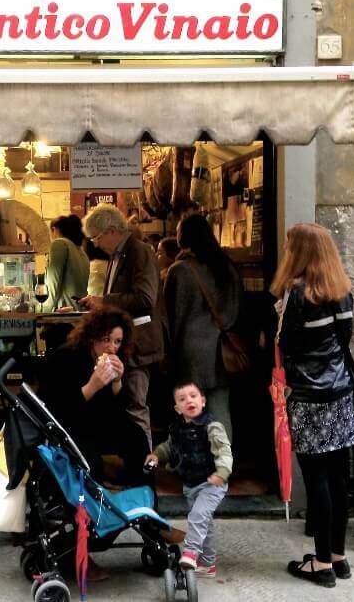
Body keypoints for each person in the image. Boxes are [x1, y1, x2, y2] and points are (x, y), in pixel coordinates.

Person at [271, 222, 354, 589]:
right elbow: (344, 339)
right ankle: (338, 556)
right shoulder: (343, 291)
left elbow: (287, 345)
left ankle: (320, 563)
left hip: (308, 396)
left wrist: (279, 315)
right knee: (338, 477)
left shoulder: (298, 292)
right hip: (340, 393)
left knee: (317, 479)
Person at [80, 204, 164, 447]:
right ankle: (133, 464)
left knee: (135, 405)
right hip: (127, 343)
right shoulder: (120, 254)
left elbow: (145, 298)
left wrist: (104, 301)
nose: (95, 244)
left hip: (139, 344)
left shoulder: (139, 252)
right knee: (127, 405)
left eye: (97, 237)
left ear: (112, 230)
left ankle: (143, 469)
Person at [40, 307, 150, 486]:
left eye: (117, 341)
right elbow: (60, 409)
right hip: (69, 426)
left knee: (137, 436)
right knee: (90, 458)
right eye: (106, 339)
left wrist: (117, 382)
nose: (112, 347)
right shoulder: (66, 357)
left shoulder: (116, 360)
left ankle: (141, 493)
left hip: (98, 424)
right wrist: (93, 386)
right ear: (93, 336)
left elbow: (119, 413)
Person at [164, 214, 242, 438]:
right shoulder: (226, 266)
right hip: (223, 350)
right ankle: (223, 463)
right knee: (220, 408)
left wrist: (170, 352)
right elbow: (235, 310)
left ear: (184, 237)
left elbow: (172, 317)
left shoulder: (180, 270)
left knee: (190, 408)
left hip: (191, 351)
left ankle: (195, 462)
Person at [145, 379, 233, 578]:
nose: (189, 401)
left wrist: (221, 473)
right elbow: (169, 446)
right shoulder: (176, 428)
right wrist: (157, 455)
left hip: (212, 482)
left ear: (203, 401)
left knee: (197, 517)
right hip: (191, 484)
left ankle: (191, 553)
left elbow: (224, 452)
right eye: (182, 399)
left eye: (193, 396)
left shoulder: (212, 426)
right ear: (177, 408)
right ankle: (208, 563)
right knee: (205, 522)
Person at [44, 215, 90, 311]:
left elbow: (53, 283)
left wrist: (45, 310)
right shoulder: (80, 250)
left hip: (64, 311)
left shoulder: (59, 244)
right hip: (79, 310)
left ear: (54, 229)